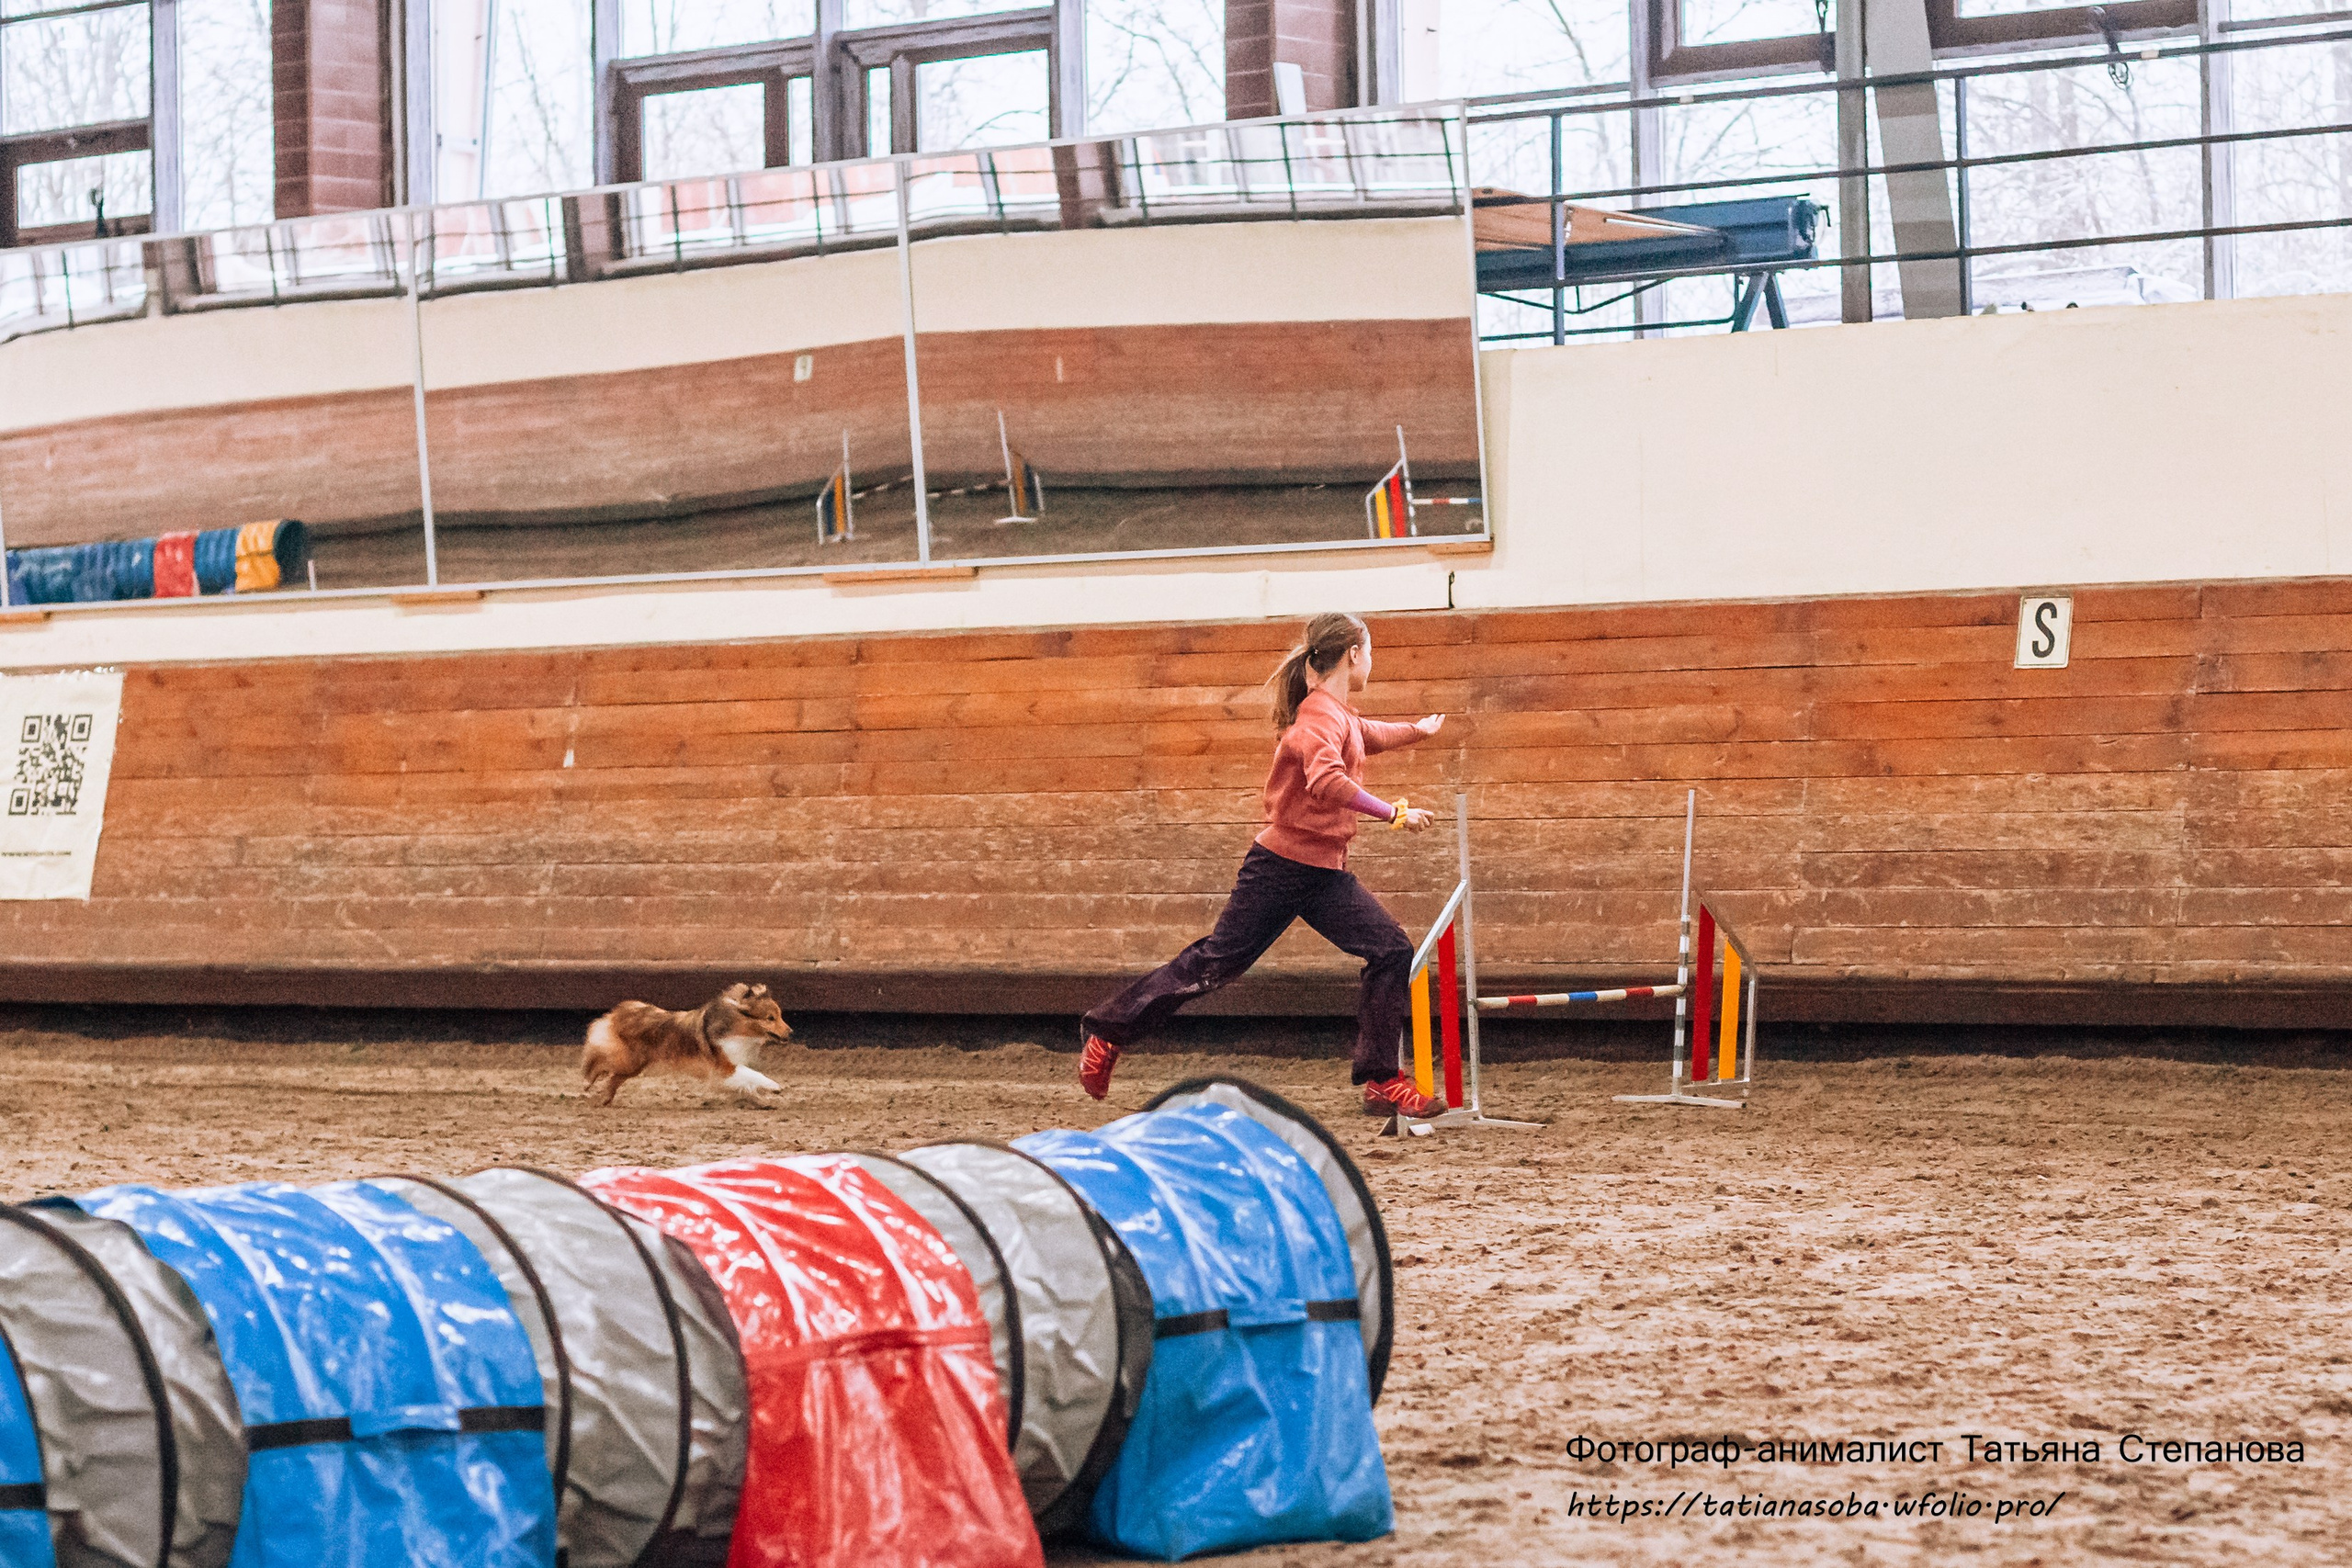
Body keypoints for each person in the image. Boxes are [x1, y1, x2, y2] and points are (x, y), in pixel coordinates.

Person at [1078, 611, 1451, 1117]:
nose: (1371, 661)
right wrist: (1393, 814)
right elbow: (1327, 780)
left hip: (1322, 874)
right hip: (1279, 869)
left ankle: (1382, 1080)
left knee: (1390, 950)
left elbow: (1368, 734)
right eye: (1370, 652)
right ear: (1352, 655)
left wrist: (1417, 731)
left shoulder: (1336, 714)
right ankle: (1107, 1032)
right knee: (1214, 965)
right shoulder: (1318, 716)